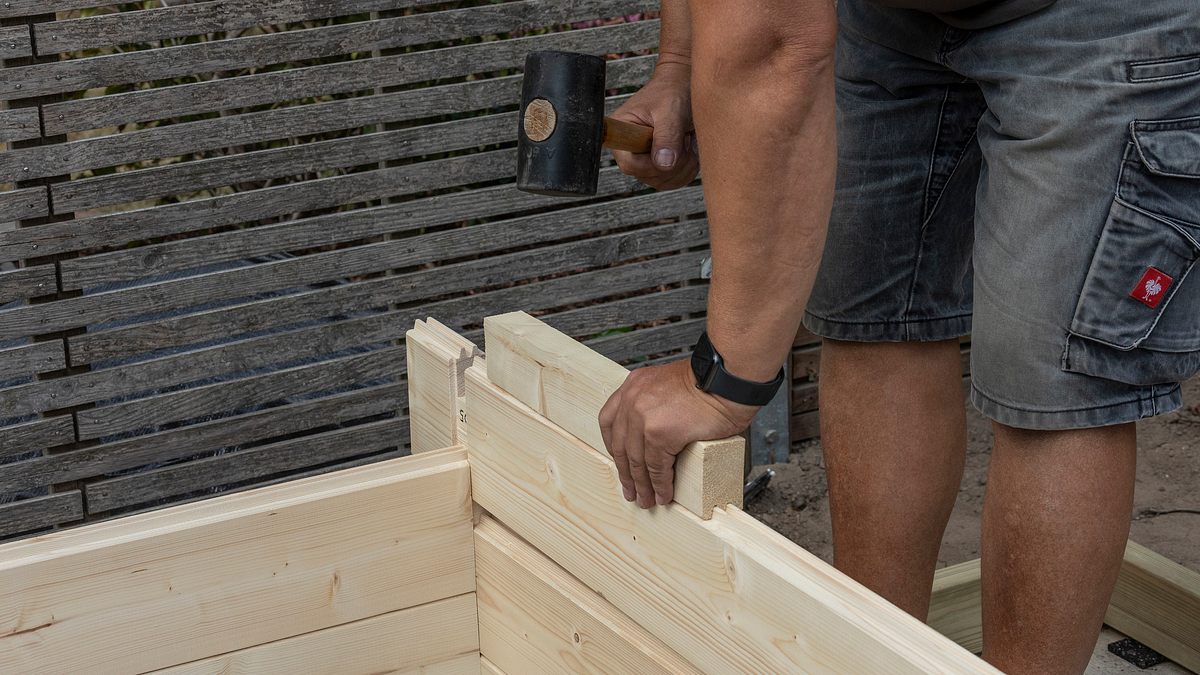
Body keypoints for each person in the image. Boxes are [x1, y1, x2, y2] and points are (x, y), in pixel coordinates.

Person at [597, 0, 1200, 672]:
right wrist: (680, 66)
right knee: (874, 311)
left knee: (1054, 374)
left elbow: (767, 40)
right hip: (889, 18)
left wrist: (722, 380)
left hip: (1101, 20)